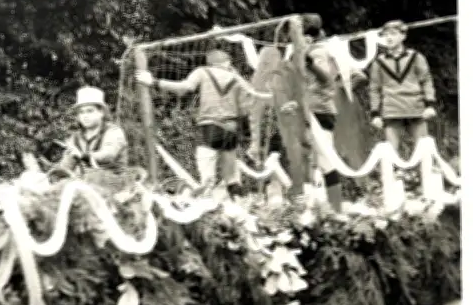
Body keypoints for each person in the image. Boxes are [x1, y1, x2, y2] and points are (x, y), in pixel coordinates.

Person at [135, 49, 272, 198]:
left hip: (209, 127)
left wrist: (154, 82)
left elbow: (185, 88)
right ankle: (239, 204)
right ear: (227, 62)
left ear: (210, 62)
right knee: (232, 178)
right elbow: (246, 108)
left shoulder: (202, 72)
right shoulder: (236, 78)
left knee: (207, 178)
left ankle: (208, 208)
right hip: (231, 129)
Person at [280, 14, 344, 211]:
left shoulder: (319, 53)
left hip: (319, 112)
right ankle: (308, 204)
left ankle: (336, 206)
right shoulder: (295, 55)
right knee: (302, 157)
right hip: (301, 112)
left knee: (325, 158)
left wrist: (310, 63)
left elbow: (327, 79)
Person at [368, 19, 437, 155]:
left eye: (393, 34)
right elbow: (374, 88)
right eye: (386, 34)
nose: (389, 37)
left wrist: (430, 104)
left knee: (423, 153)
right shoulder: (378, 62)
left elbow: (426, 80)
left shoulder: (416, 57)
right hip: (392, 110)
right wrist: (375, 113)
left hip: (415, 108)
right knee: (390, 154)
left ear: (403, 36)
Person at [57, 86, 129, 175]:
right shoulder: (75, 137)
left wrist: (83, 156)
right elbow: (66, 167)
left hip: (114, 182)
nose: (85, 116)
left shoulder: (114, 132)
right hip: (85, 183)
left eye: (90, 111)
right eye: (81, 112)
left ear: (101, 112)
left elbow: (108, 155)